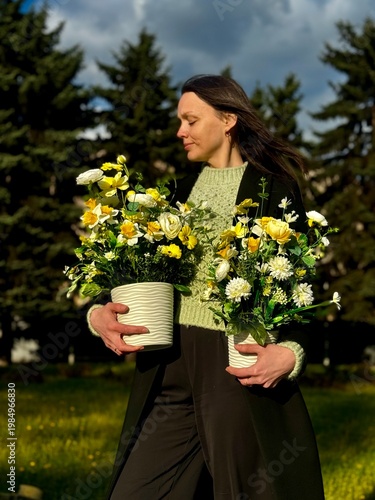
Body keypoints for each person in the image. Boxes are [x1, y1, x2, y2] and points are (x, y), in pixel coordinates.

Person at [87, 74, 325, 499]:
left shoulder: (274, 189)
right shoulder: (171, 196)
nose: (181, 131)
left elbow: (303, 286)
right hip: (167, 362)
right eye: (180, 122)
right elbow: (133, 273)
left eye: (191, 121)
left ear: (228, 119)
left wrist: (292, 353)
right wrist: (97, 313)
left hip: (233, 363)